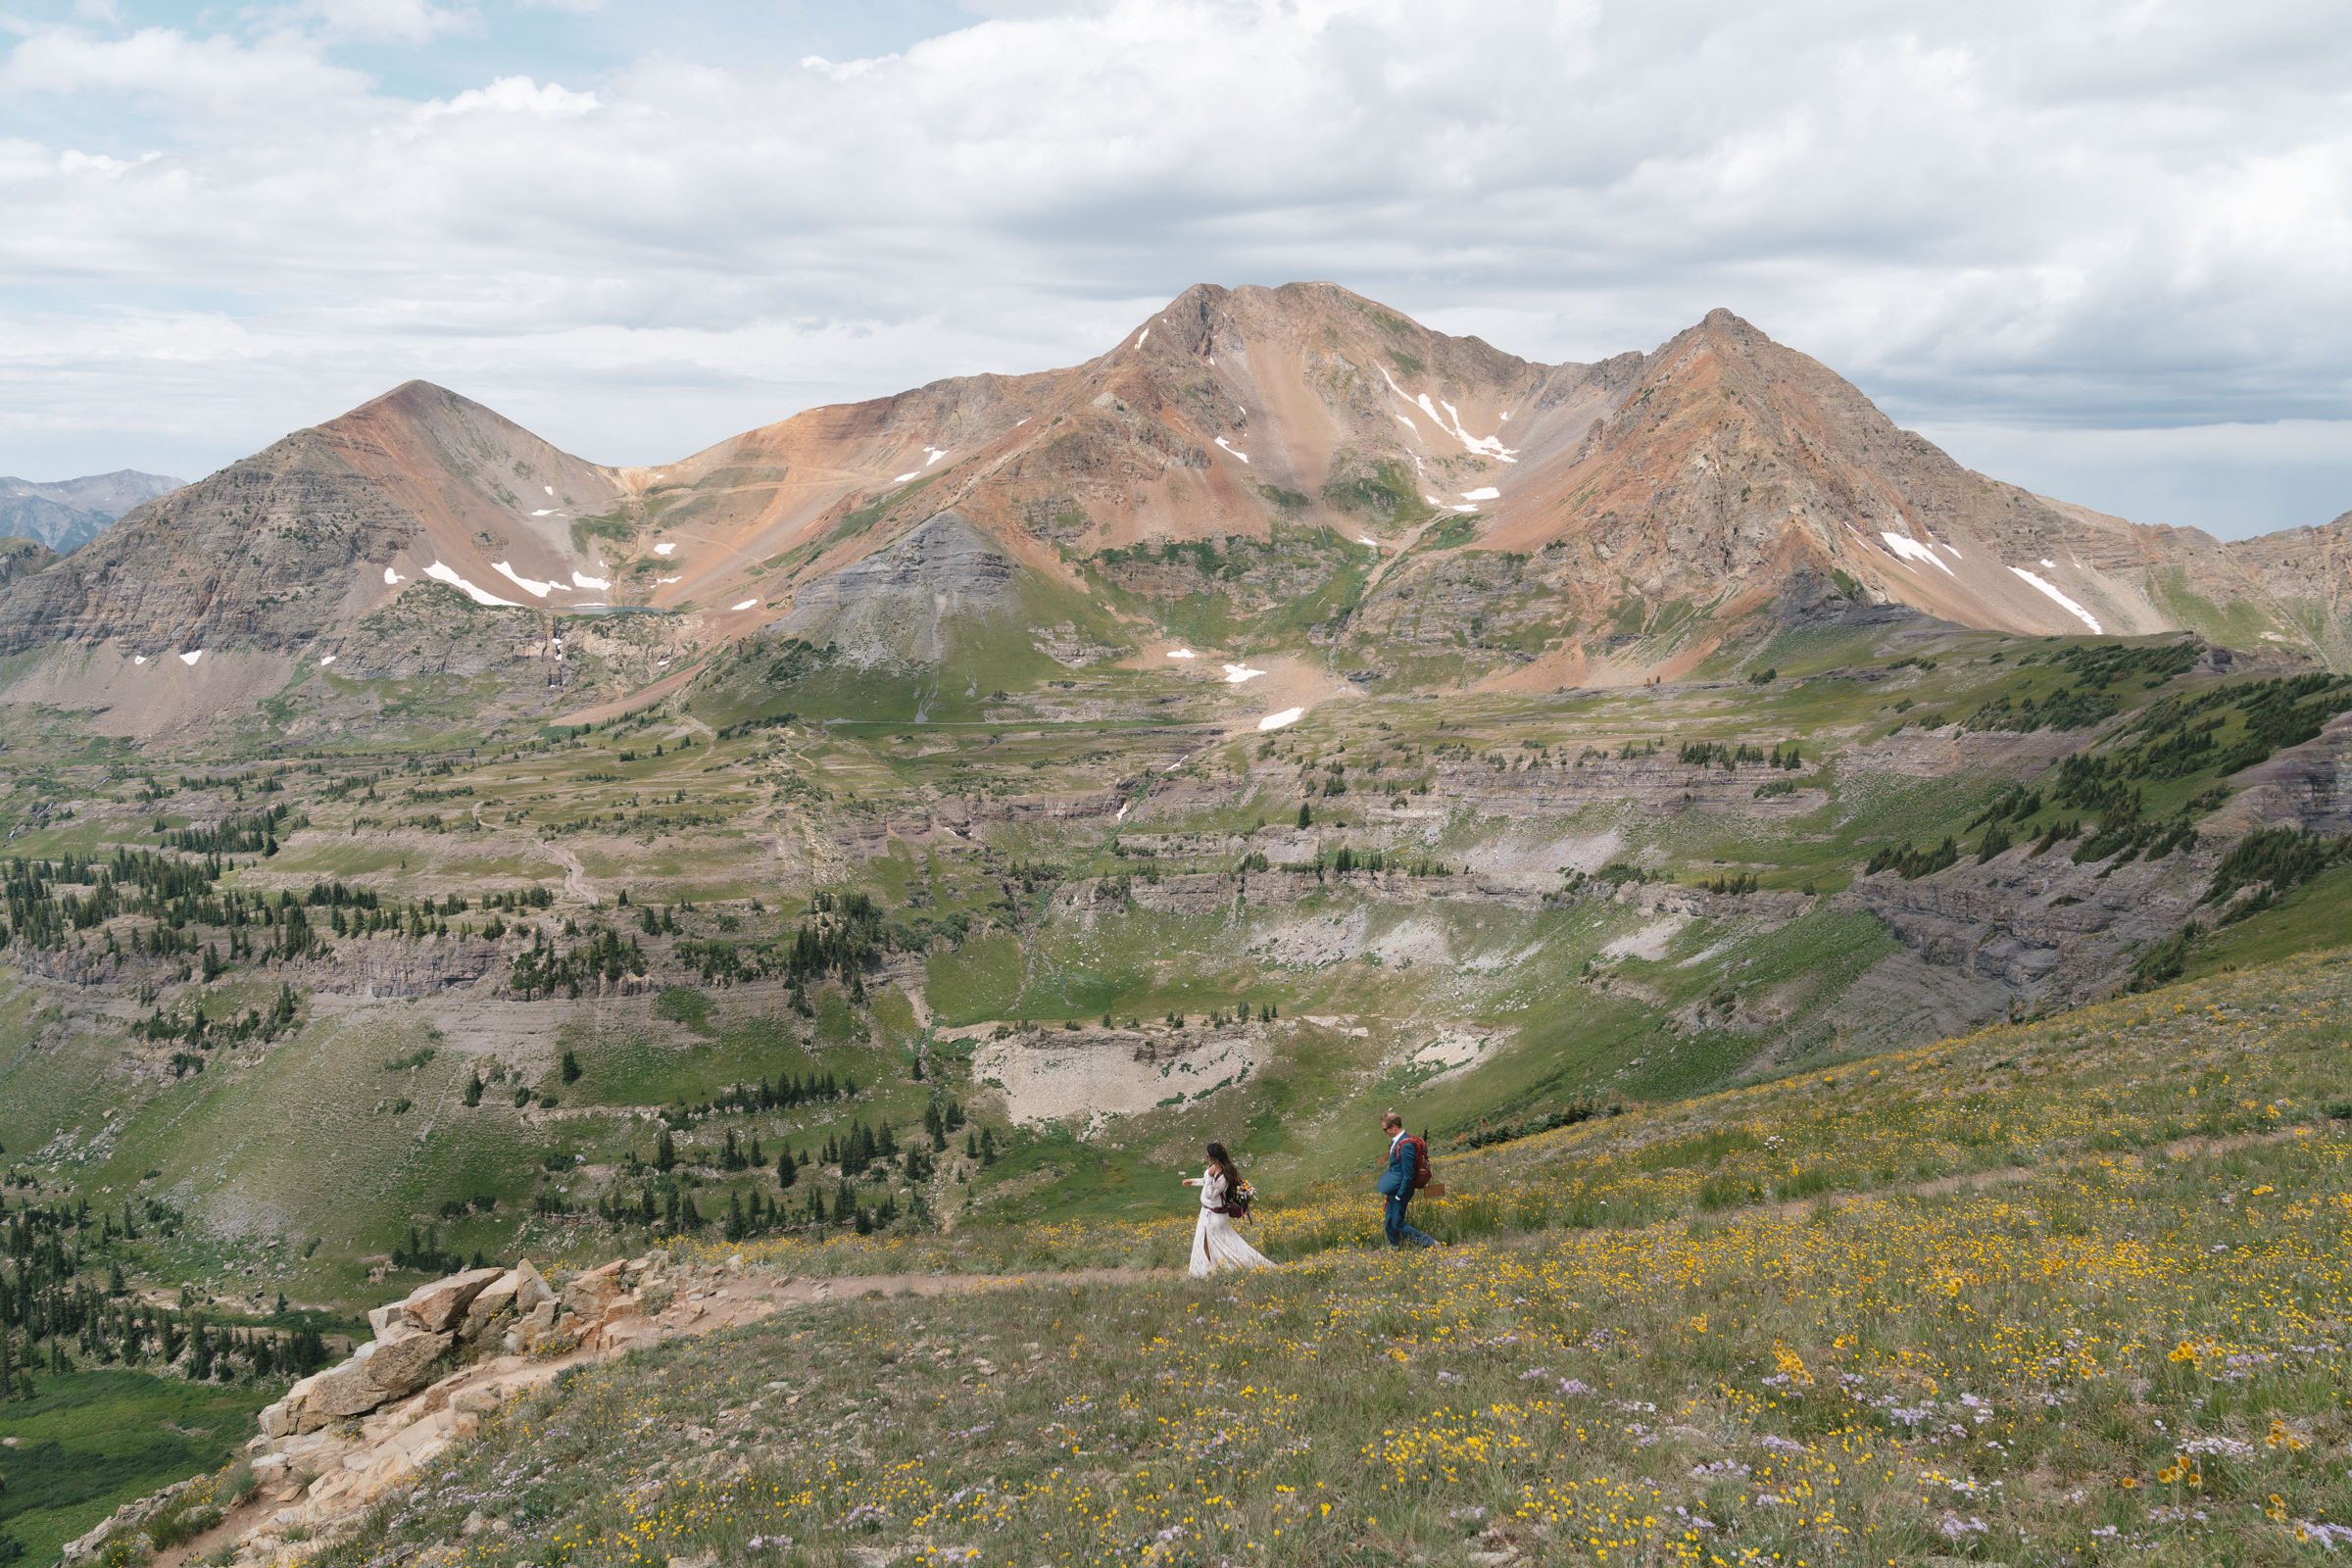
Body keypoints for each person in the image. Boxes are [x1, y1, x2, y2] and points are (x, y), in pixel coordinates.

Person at [1182, 1141, 1273, 1276]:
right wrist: (1193, 1182)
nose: (1206, 1158)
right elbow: (1207, 1182)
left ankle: (1216, 1270)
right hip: (1208, 1213)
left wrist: (1209, 1177)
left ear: (1215, 1158)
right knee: (1213, 1243)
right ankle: (1211, 1270)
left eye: (1207, 1156)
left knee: (1217, 1244)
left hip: (1214, 1216)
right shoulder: (1214, 1170)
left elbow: (1211, 1194)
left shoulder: (1223, 1176)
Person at [1376, 1110, 1439, 1248]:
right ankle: (1396, 1248)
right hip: (1395, 1188)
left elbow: (1408, 1175)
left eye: (1385, 1129)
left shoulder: (1406, 1146)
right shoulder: (1398, 1141)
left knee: (1397, 1222)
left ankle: (1430, 1243)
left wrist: (1400, 1195)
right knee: (1389, 1221)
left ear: (1394, 1127)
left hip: (1401, 1190)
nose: (1384, 1132)